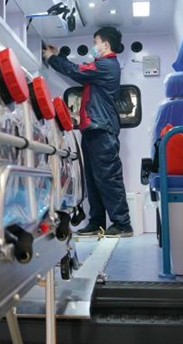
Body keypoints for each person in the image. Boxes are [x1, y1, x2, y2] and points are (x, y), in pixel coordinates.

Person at [43, 27, 133, 238]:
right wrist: (57, 57)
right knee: (93, 178)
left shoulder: (107, 65)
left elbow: (77, 71)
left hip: (102, 129)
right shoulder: (102, 67)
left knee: (109, 178)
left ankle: (122, 224)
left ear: (105, 45)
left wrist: (52, 58)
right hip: (93, 129)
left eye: (96, 42)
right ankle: (97, 222)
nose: (94, 46)